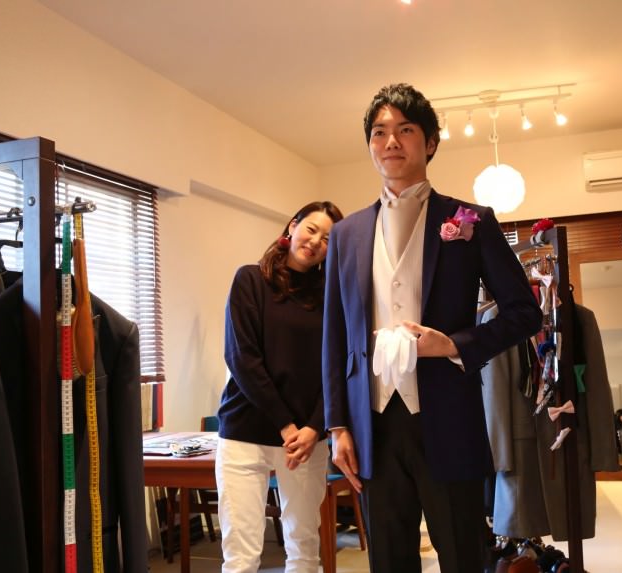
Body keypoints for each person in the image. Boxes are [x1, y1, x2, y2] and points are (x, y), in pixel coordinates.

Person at [322, 83, 542, 573]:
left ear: (430, 142)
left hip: (448, 416)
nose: (391, 142)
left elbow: (525, 312)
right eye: (379, 133)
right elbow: (334, 336)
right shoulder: (345, 234)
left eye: (405, 130)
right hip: (372, 422)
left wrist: (455, 345)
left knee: (463, 555)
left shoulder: (471, 221)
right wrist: (337, 425)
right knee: (389, 561)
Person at [216, 201, 344, 573]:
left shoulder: (331, 296)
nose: (316, 241)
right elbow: (242, 357)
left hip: (307, 439)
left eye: (327, 239)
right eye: (311, 229)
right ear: (292, 226)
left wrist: (315, 427)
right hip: (245, 432)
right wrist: (286, 425)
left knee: (304, 547)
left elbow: (337, 367)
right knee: (240, 555)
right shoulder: (250, 279)